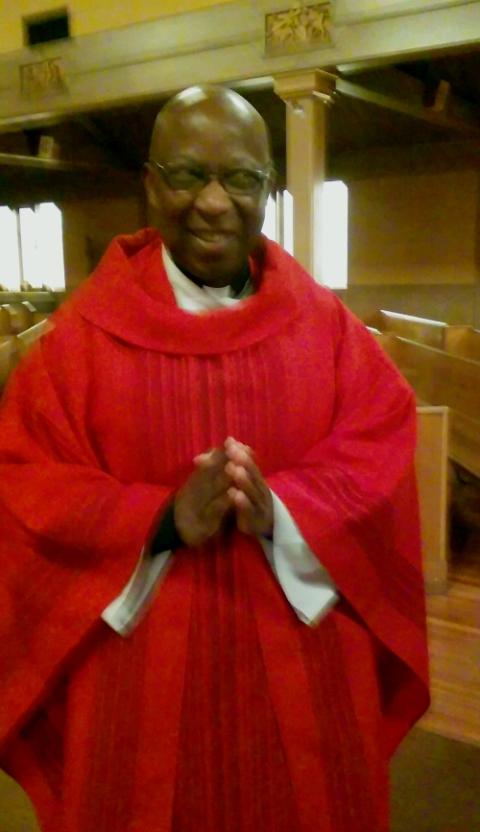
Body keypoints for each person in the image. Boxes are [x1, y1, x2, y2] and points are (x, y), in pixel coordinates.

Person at [0, 85, 429, 832]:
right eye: (186, 174)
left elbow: (382, 441)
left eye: (239, 179)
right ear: (149, 181)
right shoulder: (79, 342)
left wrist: (285, 510)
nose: (213, 203)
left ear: (268, 186)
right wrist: (158, 518)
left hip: (305, 655)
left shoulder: (323, 327)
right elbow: (28, 481)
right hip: (137, 669)